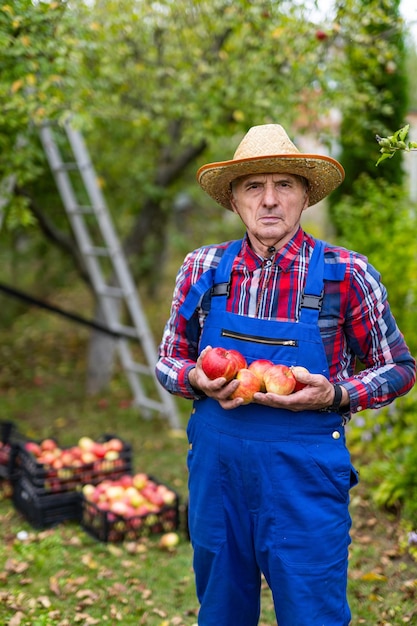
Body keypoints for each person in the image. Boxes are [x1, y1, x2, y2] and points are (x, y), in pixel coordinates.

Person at [155, 124, 416, 626]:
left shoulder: (346, 274)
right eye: (254, 186)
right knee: (221, 612)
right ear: (234, 199)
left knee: (312, 612)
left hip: (304, 479)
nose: (269, 200)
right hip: (218, 475)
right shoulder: (203, 269)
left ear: (304, 196)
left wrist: (336, 394)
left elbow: (400, 369)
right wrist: (196, 380)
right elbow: (169, 358)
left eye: (284, 185)